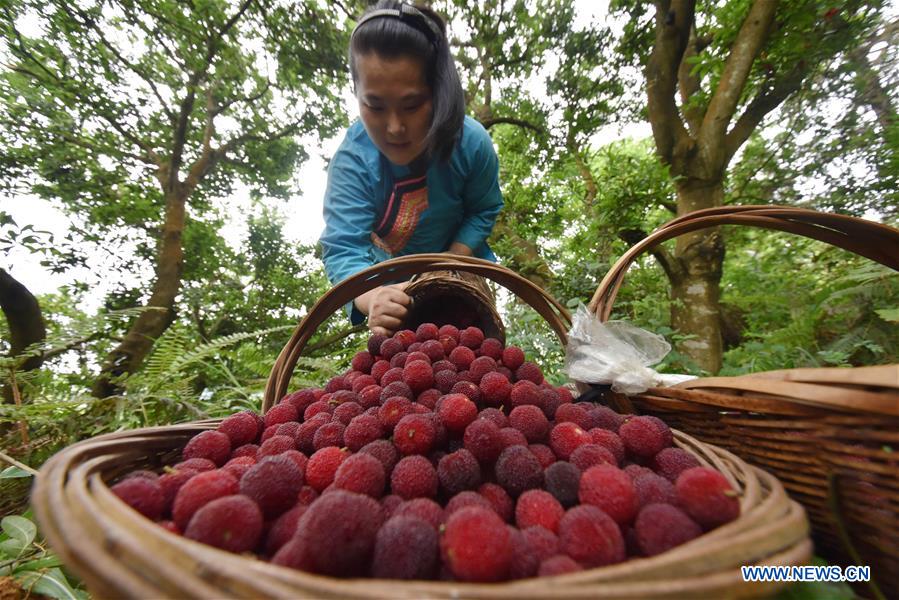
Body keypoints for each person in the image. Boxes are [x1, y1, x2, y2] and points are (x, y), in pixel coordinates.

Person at [319, 1, 503, 337]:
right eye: (374, 106)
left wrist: (447, 265)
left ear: (438, 92)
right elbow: (344, 248)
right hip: (393, 294)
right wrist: (373, 297)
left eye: (412, 104)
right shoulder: (353, 163)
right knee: (400, 374)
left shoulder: (470, 143)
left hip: (464, 279)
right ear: (356, 94)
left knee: (482, 358)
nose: (394, 128)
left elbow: (483, 209)